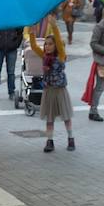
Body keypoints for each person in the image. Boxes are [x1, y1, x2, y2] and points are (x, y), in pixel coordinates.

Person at [27, 17, 74, 152]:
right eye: (46, 44)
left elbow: (59, 43)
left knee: (66, 116)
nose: (47, 46)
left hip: (60, 90)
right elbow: (34, 46)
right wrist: (32, 33)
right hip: (48, 90)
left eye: (50, 44)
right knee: (49, 118)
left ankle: (70, 139)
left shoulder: (61, 56)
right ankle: (50, 141)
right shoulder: (44, 56)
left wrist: (54, 27)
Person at [0, 28, 23, 101]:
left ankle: (11, 92)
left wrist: (15, 44)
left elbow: (20, 31)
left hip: (12, 48)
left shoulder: (15, 17)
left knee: (11, 72)